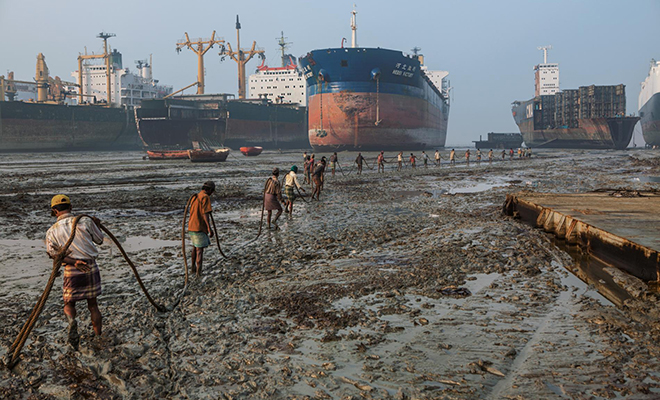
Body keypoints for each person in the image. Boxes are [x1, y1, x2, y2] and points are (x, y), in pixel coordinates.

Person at [46, 195, 104, 349]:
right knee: (93, 304)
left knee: (69, 303)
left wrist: (73, 262)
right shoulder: (85, 221)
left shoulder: (52, 231)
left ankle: (72, 322)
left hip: (72, 269)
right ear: (70, 207)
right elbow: (99, 240)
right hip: (90, 266)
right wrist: (97, 226)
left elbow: (54, 255)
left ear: (55, 211)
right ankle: (98, 335)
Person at [188, 181, 215, 277]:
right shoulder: (205, 197)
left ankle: (193, 269)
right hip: (199, 227)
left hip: (191, 226)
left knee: (195, 248)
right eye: (212, 191)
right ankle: (199, 273)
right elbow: (205, 214)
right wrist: (209, 228)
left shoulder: (195, 196)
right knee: (199, 250)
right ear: (210, 190)